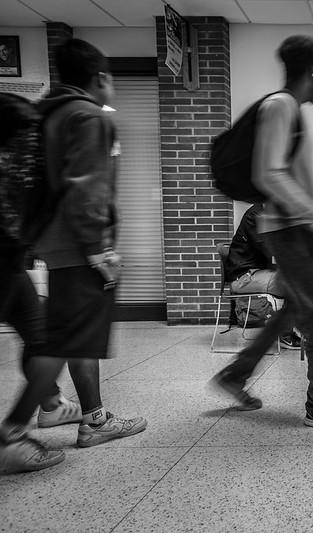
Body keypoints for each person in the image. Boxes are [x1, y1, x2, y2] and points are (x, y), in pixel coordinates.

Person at [207, 35, 313, 431]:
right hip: (290, 231)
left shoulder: (288, 108)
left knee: (299, 309)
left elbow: (283, 175)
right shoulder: (280, 106)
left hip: (293, 230)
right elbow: (269, 174)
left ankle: (236, 374)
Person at [34, 39, 148, 449]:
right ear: (101, 78)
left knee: (67, 332)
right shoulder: (90, 118)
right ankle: (93, 420)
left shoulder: (48, 115)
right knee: (79, 336)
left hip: (54, 244)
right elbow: (88, 190)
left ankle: (50, 405)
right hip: (81, 247)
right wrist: (100, 250)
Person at [0, 93, 77, 473]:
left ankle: (45, 407)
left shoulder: (22, 165)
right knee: (52, 340)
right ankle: (10, 437)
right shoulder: (15, 165)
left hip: (11, 264)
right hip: (5, 262)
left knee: (50, 340)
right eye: (28, 133)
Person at [227, 203, 301, 350]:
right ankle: (284, 332)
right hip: (243, 277)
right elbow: (270, 250)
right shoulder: (257, 215)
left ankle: (288, 328)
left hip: (257, 272)